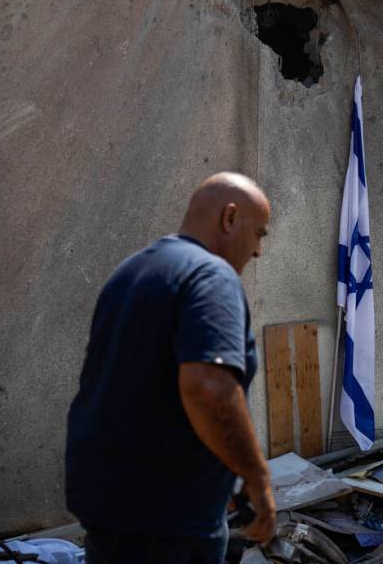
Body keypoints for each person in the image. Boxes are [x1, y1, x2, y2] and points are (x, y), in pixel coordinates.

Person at [65, 172, 276, 564]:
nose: (259, 250)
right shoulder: (212, 277)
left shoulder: (130, 272)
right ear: (230, 218)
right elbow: (209, 388)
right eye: (260, 234)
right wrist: (256, 476)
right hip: (170, 525)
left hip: (110, 511)